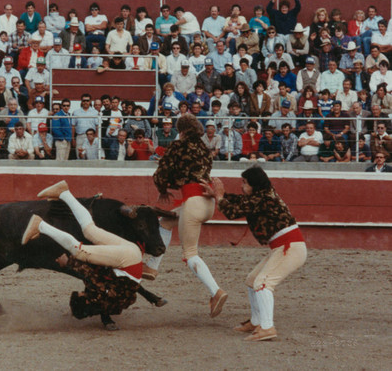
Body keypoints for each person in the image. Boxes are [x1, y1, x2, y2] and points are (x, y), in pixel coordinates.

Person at [202, 167, 307, 341]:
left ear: (254, 184)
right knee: (253, 280)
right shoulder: (264, 195)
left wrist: (219, 196)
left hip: (289, 247)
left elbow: (233, 212)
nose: (242, 186)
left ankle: (267, 327)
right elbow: (243, 202)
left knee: (263, 283)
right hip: (283, 246)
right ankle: (257, 321)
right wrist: (217, 195)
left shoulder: (263, 197)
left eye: (245, 182)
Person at [22, 180, 145, 323]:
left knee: (90, 231)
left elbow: (128, 295)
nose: (82, 292)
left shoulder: (110, 304)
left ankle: (64, 193)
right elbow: (92, 274)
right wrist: (68, 263)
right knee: (79, 251)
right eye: (81, 294)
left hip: (132, 254)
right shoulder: (98, 298)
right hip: (127, 261)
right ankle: (41, 226)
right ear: (87, 302)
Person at [148, 114, 227, 318]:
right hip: (206, 202)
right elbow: (191, 173)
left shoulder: (178, 146)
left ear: (180, 130)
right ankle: (151, 267)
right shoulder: (204, 149)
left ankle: (215, 291)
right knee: (165, 221)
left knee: (190, 253)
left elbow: (162, 173)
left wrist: (163, 188)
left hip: (192, 202)